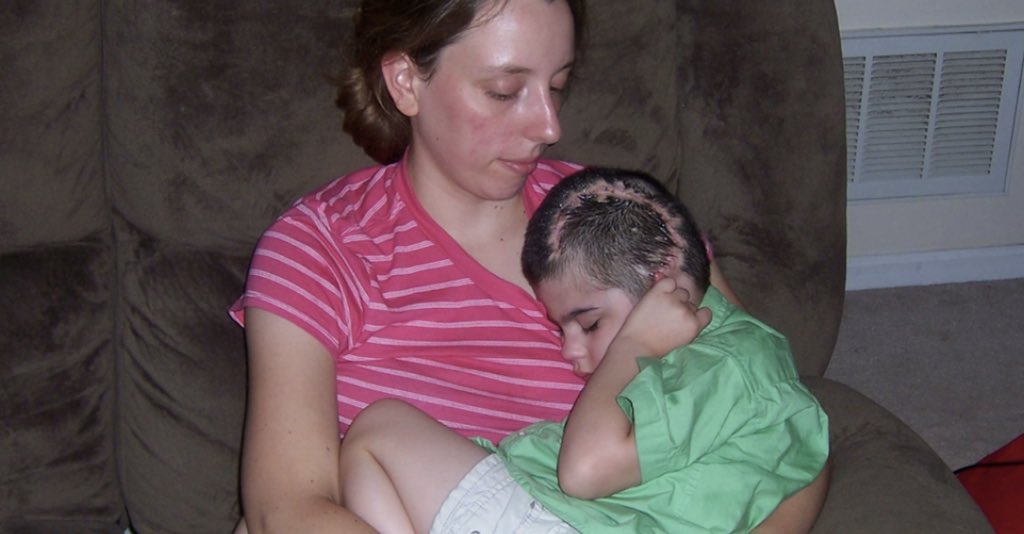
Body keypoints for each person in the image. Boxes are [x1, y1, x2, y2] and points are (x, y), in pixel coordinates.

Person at [230, 1, 826, 532]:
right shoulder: (322, 246)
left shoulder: (618, 218)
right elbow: (286, 509)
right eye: (504, 90)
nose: (549, 126)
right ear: (406, 81)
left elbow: (782, 420)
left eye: (558, 85)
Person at [336, 167, 830, 533]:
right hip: (557, 514)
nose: (569, 351)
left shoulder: (727, 363)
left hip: (566, 521)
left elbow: (584, 472)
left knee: (378, 430)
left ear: (663, 284)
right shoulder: (735, 357)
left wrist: (632, 343)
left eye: (589, 323)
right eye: (562, 329)